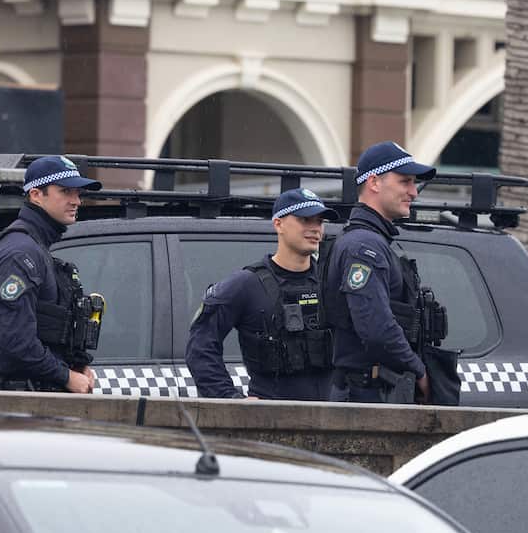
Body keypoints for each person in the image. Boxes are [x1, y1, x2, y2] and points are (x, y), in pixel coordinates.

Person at [324, 141, 453, 404]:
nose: (414, 192)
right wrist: (419, 372)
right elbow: (376, 328)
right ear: (374, 183)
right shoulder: (365, 246)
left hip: (374, 391)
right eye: (405, 181)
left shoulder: (371, 241)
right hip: (366, 395)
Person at [0, 155, 104, 393]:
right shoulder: (20, 253)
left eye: (78, 193)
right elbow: (16, 342)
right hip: (24, 399)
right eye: (65, 191)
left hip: (35, 394)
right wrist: (66, 377)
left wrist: (75, 367)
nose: (77, 201)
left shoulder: (34, 247)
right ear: (36, 195)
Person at [185, 188, 338, 400]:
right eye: (305, 220)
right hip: (269, 422)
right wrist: (231, 400)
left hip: (333, 420)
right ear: (278, 224)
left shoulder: (332, 281)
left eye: (319, 221)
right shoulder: (246, 285)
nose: (315, 228)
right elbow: (201, 346)